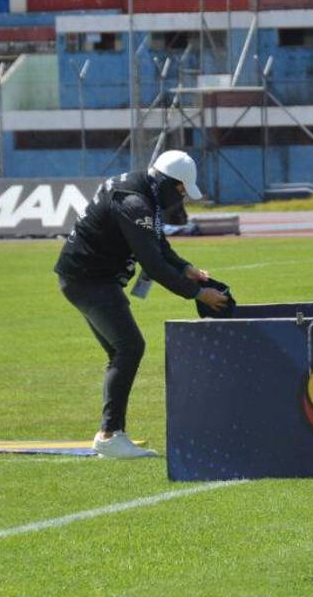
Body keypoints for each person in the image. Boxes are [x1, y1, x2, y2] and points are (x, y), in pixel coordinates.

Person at [55, 150, 229, 459]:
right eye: (180, 191)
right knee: (129, 348)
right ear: (167, 182)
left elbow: (158, 243)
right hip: (89, 280)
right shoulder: (135, 203)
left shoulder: (141, 190)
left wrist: (185, 267)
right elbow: (154, 264)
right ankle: (109, 435)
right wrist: (198, 294)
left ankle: (111, 433)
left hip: (88, 277)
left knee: (121, 351)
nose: (181, 200)